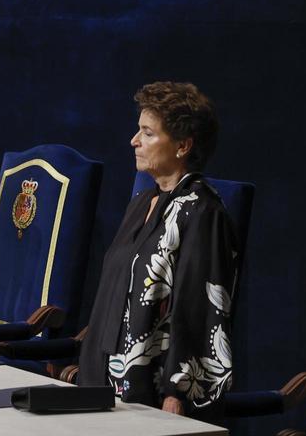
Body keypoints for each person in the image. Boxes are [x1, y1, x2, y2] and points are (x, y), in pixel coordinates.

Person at [78, 82, 239, 420]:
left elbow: (200, 309)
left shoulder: (202, 212)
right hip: (103, 379)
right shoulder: (141, 204)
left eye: (148, 133)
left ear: (183, 145)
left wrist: (176, 393)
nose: (134, 141)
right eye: (139, 131)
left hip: (153, 394)